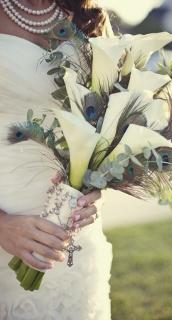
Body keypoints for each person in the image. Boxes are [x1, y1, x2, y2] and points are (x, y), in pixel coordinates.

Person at [0, 1, 113, 319]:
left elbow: (107, 129)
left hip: (74, 236)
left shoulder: (89, 19)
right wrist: (2, 227)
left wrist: (97, 191)